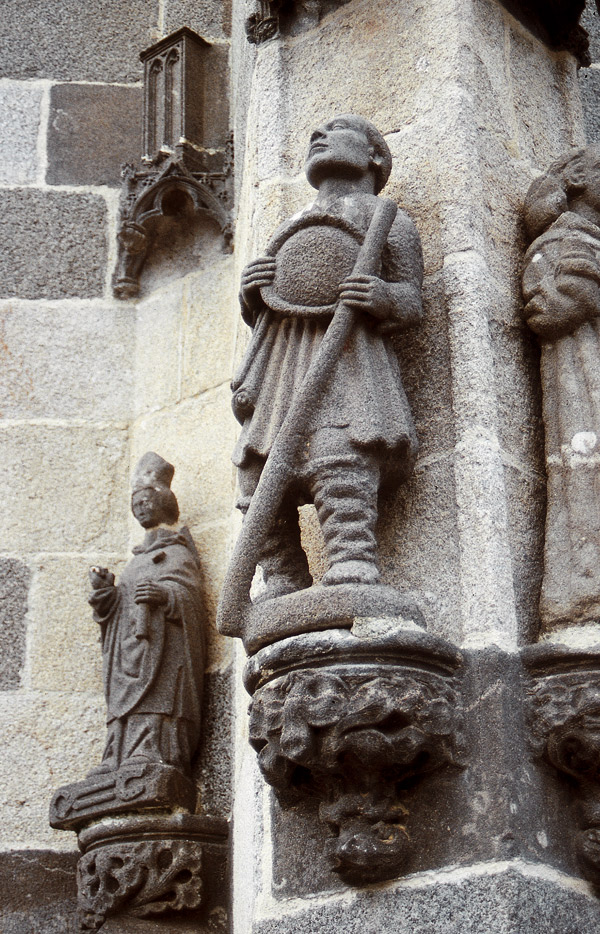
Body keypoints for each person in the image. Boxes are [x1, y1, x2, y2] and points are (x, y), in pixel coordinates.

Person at [231, 114, 423, 601]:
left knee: (340, 454)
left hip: (347, 358)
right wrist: (252, 294)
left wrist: (380, 295)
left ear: (374, 157)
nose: (317, 136)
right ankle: (282, 574)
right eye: (314, 133)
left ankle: (351, 559)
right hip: (284, 359)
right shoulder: (292, 224)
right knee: (258, 469)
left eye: (337, 130)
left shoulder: (386, 218)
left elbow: (411, 300)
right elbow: (273, 301)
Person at [88, 452, 205, 774]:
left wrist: (165, 594)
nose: (139, 505)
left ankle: (151, 752)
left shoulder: (176, 552)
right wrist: (105, 592)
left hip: (162, 650)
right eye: (135, 501)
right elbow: (115, 610)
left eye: (145, 498)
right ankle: (115, 756)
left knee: (157, 700)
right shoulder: (136, 561)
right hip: (128, 652)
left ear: (163, 501)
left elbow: (190, 598)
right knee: (123, 701)